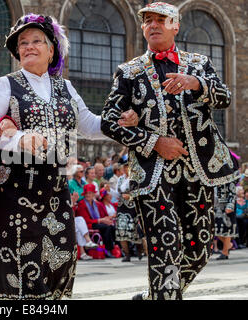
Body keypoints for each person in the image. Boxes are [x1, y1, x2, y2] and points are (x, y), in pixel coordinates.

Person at [0, 13, 138, 300]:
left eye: (37, 41)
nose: (29, 47)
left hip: (56, 191)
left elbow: (89, 124)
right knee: (23, 268)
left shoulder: (66, 87)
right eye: (23, 43)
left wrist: (119, 122)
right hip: (16, 193)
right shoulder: (6, 84)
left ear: (52, 50)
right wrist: (19, 138)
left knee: (60, 263)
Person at [101, 2, 240, 300]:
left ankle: (154, 298)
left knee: (200, 249)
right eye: (148, 20)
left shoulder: (199, 63)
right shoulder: (129, 71)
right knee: (165, 248)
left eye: (161, 20)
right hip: (154, 175)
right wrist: (153, 142)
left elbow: (225, 97)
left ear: (176, 25)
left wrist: (195, 83)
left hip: (199, 171)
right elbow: (109, 122)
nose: (153, 25)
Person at [76, 184, 116, 257]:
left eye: (90, 193)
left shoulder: (96, 204)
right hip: (87, 225)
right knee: (106, 227)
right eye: (86, 193)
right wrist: (101, 220)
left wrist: (107, 219)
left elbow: (102, 216)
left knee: (112, 227)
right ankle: (108, 249)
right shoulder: (82, 204)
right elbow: (86, 220)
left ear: (94, 194)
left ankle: (114, 249)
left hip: (95, 223)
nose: (88, 195)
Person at [115, 161, 143, 262]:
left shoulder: (136, 179)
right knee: (121, 230)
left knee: (133, 229)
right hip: (121, 207)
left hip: (132, 207)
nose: (127, 169)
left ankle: (139, 250)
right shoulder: (121, 179)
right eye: (125, 167)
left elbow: (140, 193)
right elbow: (117, 194)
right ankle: (127, 254)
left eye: (128, 167)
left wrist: (130, 196)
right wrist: (109, 190)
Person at [214, 182, 238, 260]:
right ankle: (229, 245)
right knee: (216, 231)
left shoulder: (229, 181)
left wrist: (230, 206)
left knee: (227, 230)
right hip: (217, 208)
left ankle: (225, 252)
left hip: (227, 208)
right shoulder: (215, 181)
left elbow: (232, 194)